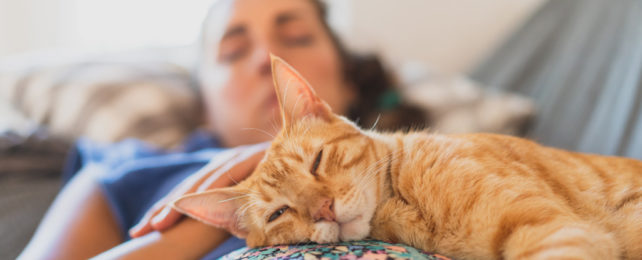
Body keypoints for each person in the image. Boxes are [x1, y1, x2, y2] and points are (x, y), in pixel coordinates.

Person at [19, 0, 426, 259]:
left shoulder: (439, 156)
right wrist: (232, 213)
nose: (267, 58)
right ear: (205, 107)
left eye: (296, 37)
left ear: (348, 76)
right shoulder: (124, 175)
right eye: (233, 52)